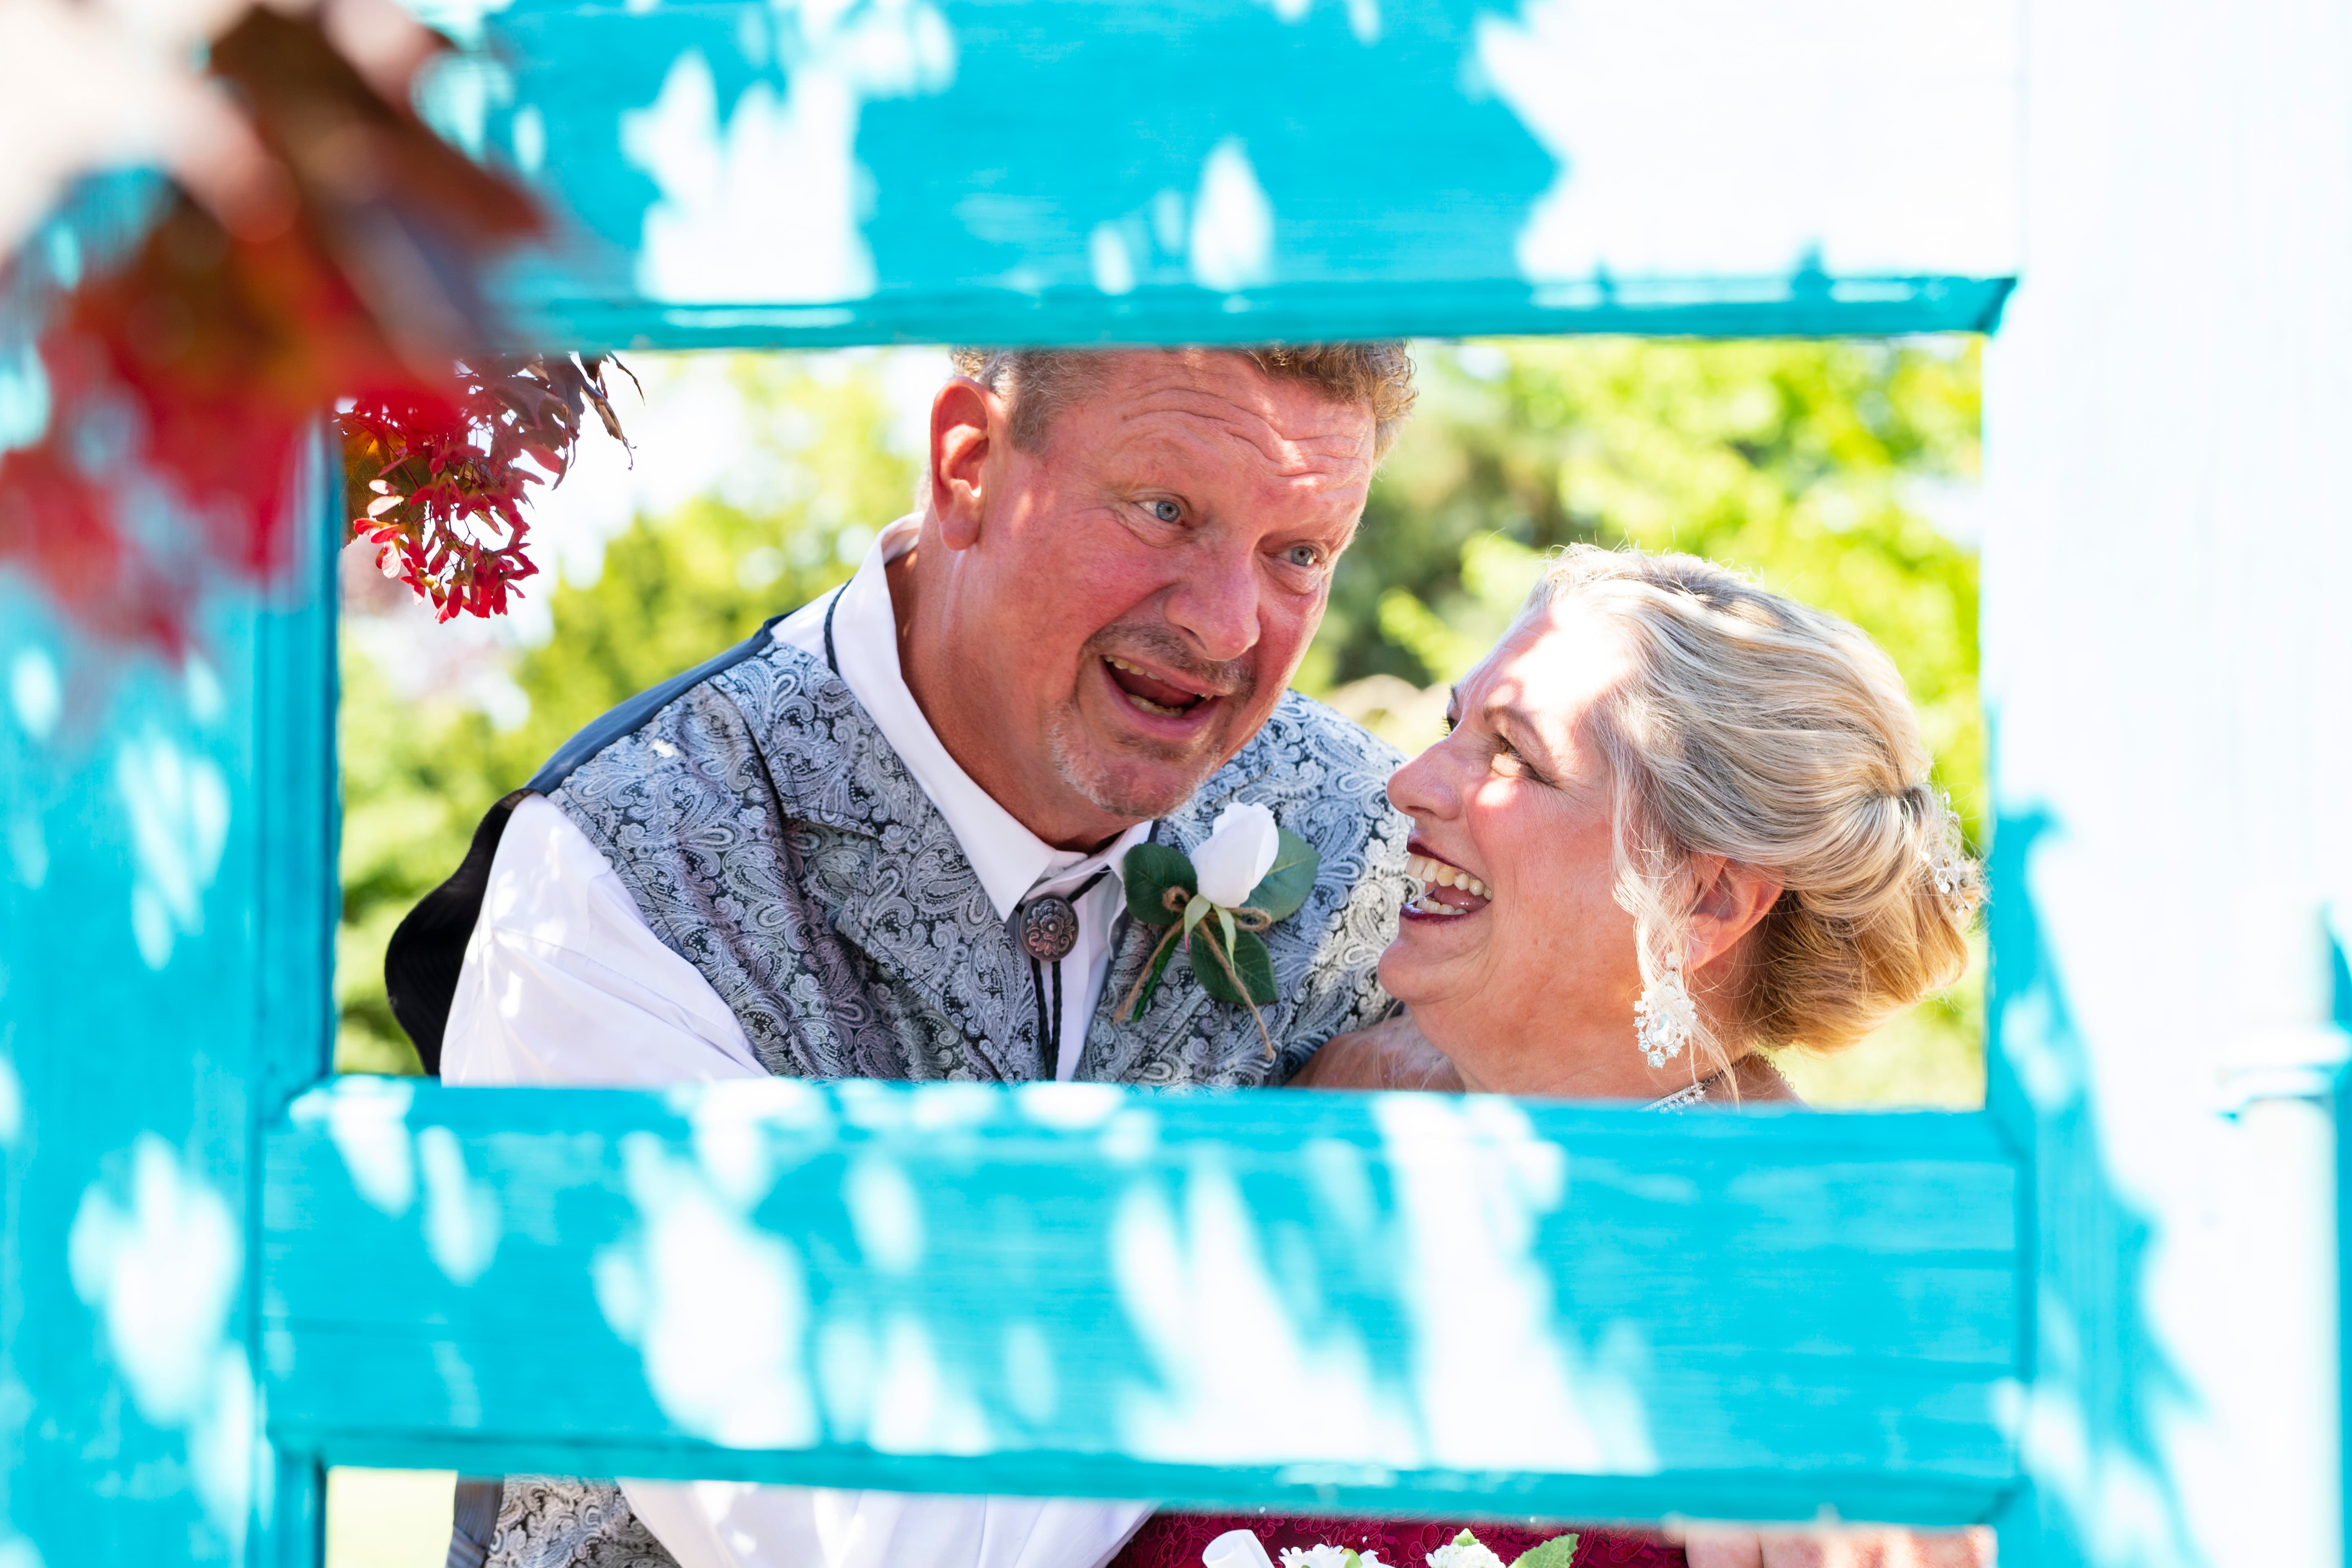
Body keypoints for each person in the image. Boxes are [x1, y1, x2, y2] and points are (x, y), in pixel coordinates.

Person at [388, 343, 1421, 1568]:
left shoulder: (1354, 825)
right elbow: (843, 1530)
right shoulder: (617, 871)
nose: (1225, 623)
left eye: (1297, 552)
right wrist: (1276, 1211)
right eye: (1164, 512)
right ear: (969, 464)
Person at [1116, 544, 1991, 1568]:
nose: (1408, 785)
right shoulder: (1314, 1102)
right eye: (1452, 727)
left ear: (1703, 899)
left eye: (1512, 757)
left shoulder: (1831, 1329)